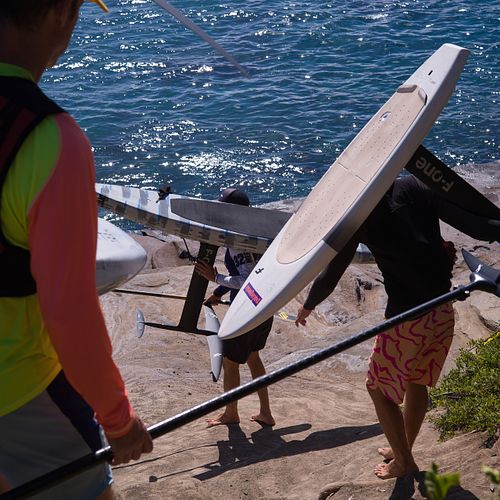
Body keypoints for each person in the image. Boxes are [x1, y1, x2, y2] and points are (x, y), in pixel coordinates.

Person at [0, 1, 152, 498]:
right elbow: (69, 310)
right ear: (62, 12)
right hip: (19, 391)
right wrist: (118, 419)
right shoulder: (50, 139)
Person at [295, 174, 499, 480]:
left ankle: (404, 462)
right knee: (416, 382)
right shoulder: (417, 185)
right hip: (442, 309)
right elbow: (475, 225)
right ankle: (402, 450)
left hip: (407, 319)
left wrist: (309, 304)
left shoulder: (361, 214)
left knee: (378, 390)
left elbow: (331, 275)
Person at [195, 188, 276, 427]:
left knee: (230, 362)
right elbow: (253, 273)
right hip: (264, 306)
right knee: (253, 357)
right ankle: (266, 413)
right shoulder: (256, 232)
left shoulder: (239, 242)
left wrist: (215, 278)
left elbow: (247, 279)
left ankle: (231, 413)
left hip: (247, 310)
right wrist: (218, 293)